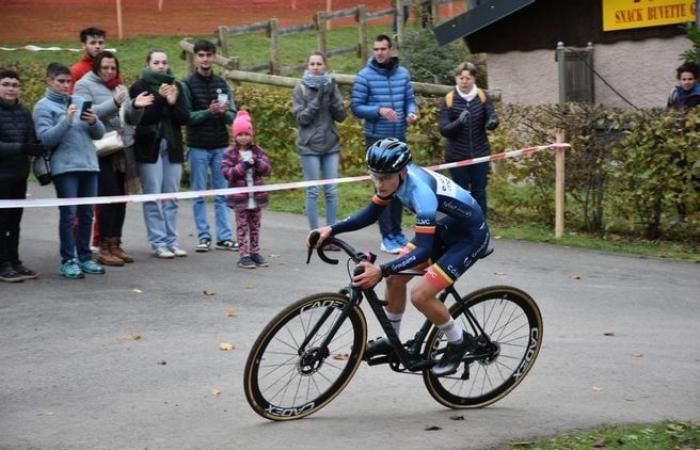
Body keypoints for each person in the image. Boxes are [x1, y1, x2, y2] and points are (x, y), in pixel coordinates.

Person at [308, 138, 490, 377]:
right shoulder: (394, 180)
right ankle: (391, 338)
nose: (380, 184)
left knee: (420, 295)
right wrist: (331, 229)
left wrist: (380, 269)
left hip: (470, 237)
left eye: (385, 179)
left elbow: (423, 251)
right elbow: (370, 214)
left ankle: (458, 341)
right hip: (449, 226)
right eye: (375, 177)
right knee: (394, 280)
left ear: (402, 172)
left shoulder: (422, 195)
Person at [74, 51, 155, 266]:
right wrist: (114, 102)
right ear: (96, 68)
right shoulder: (84, 85)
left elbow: (130, 118)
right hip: (102, 150)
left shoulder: (120, 87)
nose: (109, 72)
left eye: (113, 68)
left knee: (121, 199)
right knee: (108, 198)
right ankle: (103, 247)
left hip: (123, 148)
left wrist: (136, 107)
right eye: (105, 68)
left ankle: (115, 242)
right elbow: (86, 114)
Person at [34, 63, 106, 279]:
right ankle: (68, 260)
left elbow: (99, 134)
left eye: (68, 82)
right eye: (61, 81)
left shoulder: (80, 101)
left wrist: (93, 121)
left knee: (87, 215)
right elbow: (45, 139)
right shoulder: (43, 107)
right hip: (65, 168)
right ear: (49, 81)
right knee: (69, 216)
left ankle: (84, 257)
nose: (66, 86)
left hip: (89, 165)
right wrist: (66, 120)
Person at [351, 34, 418, 255]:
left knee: (399, 186)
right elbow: (357, 107)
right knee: (383, 189)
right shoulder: (364, 76)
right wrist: (378, 110)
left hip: (399, 138)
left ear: (391, 49)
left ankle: (397, 232)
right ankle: (386, 236)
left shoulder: (403, 74)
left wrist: (411, 112)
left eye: (383, 49)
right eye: (376, 49)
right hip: (376, 139)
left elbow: (409, 99)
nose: (379, 53)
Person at [129, 49, 189, 259]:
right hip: (149, 147)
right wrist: (162, 99)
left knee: (171, 196)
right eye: (156, 62)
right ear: (148, 65)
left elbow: (183, 117)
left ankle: (172, 241)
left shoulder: (177, 86)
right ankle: (158, 243)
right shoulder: (139, 86)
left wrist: (173, 102)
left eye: (164, 62)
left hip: (172, 147)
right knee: (153, 195)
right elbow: (142, 117)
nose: (161, 66)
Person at [182, 40, 237, 253]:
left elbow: (232, 115)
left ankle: (224, 236)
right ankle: (203, 236)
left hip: (220, 146)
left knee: (222, 193)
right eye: (201, 55)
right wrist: (208, 111)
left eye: (209, 55)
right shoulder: (186, 84)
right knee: (199, 193)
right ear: (195, 58)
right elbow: (186, 116)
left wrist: (224, 113)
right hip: (197, 146)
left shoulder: (222, 83)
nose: (205, 59)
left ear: (214, 57)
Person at [0, 69, 49, 282]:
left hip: (19, 175)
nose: (11, 88)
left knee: (14, 221)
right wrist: (21, 147)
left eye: (15, 85)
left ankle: (14, 260)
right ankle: (2, 264)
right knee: (1, 221)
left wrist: (35, 146)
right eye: (6, 84)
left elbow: (31, 138)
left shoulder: (24, 112)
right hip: (1, 176)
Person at [292, 51, 346, 236]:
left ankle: (330, 234)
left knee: (331, 191)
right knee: (313, 191)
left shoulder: (332, 86)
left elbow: (341, 116)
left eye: (319, 64)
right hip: (309, 146)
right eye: (312, 64)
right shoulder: (301, 88)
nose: (315, 67)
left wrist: (331, 99)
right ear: (308, 66)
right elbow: (302, 119)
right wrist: (317, 100)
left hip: (330, 145)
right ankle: (314, 234)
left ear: (325, 66)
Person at [438, 62, 499, 219]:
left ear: (474, 79)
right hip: (457, 155)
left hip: (480, 153)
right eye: (461, 78)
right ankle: (461, 226)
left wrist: (493, 122)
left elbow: (491, 116)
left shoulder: (482, 96)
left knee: (479, 192)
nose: (464, 81)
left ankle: (481, 227)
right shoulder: (449, 99)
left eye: (468, 78)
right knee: (461, 194)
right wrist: (459, 122)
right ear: (456, 79)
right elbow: (444, 130)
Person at [221, 110, 272, 269]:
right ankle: (244, 255)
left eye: (246, 133)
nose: (243, 137)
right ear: (234, 136)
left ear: (251, 135)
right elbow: (228, 174)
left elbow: (267, 171)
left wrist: (257, 163)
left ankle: (255, 252)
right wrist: (243, 166)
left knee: (255, 226)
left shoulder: (258, 151)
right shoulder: (230, 153)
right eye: (240, 134)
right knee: (242, 227)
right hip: (240, 199)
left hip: (256, 198)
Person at [665, 61, 700, 224]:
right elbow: (668, 114)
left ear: (696, 80)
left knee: (696, 179)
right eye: (684, 79)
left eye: (690, 79)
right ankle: (680, 215)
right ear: (679, 80)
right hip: (677, 141)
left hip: (695, 143)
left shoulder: (698, 94)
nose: (687, 82)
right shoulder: (674, 93)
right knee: (677, 178)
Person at [70, 27, 106, 94]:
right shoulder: (76, 71)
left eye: (101, 43)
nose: (97, 46)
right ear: (83, 46)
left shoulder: (111, 67)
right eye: (93, 43)